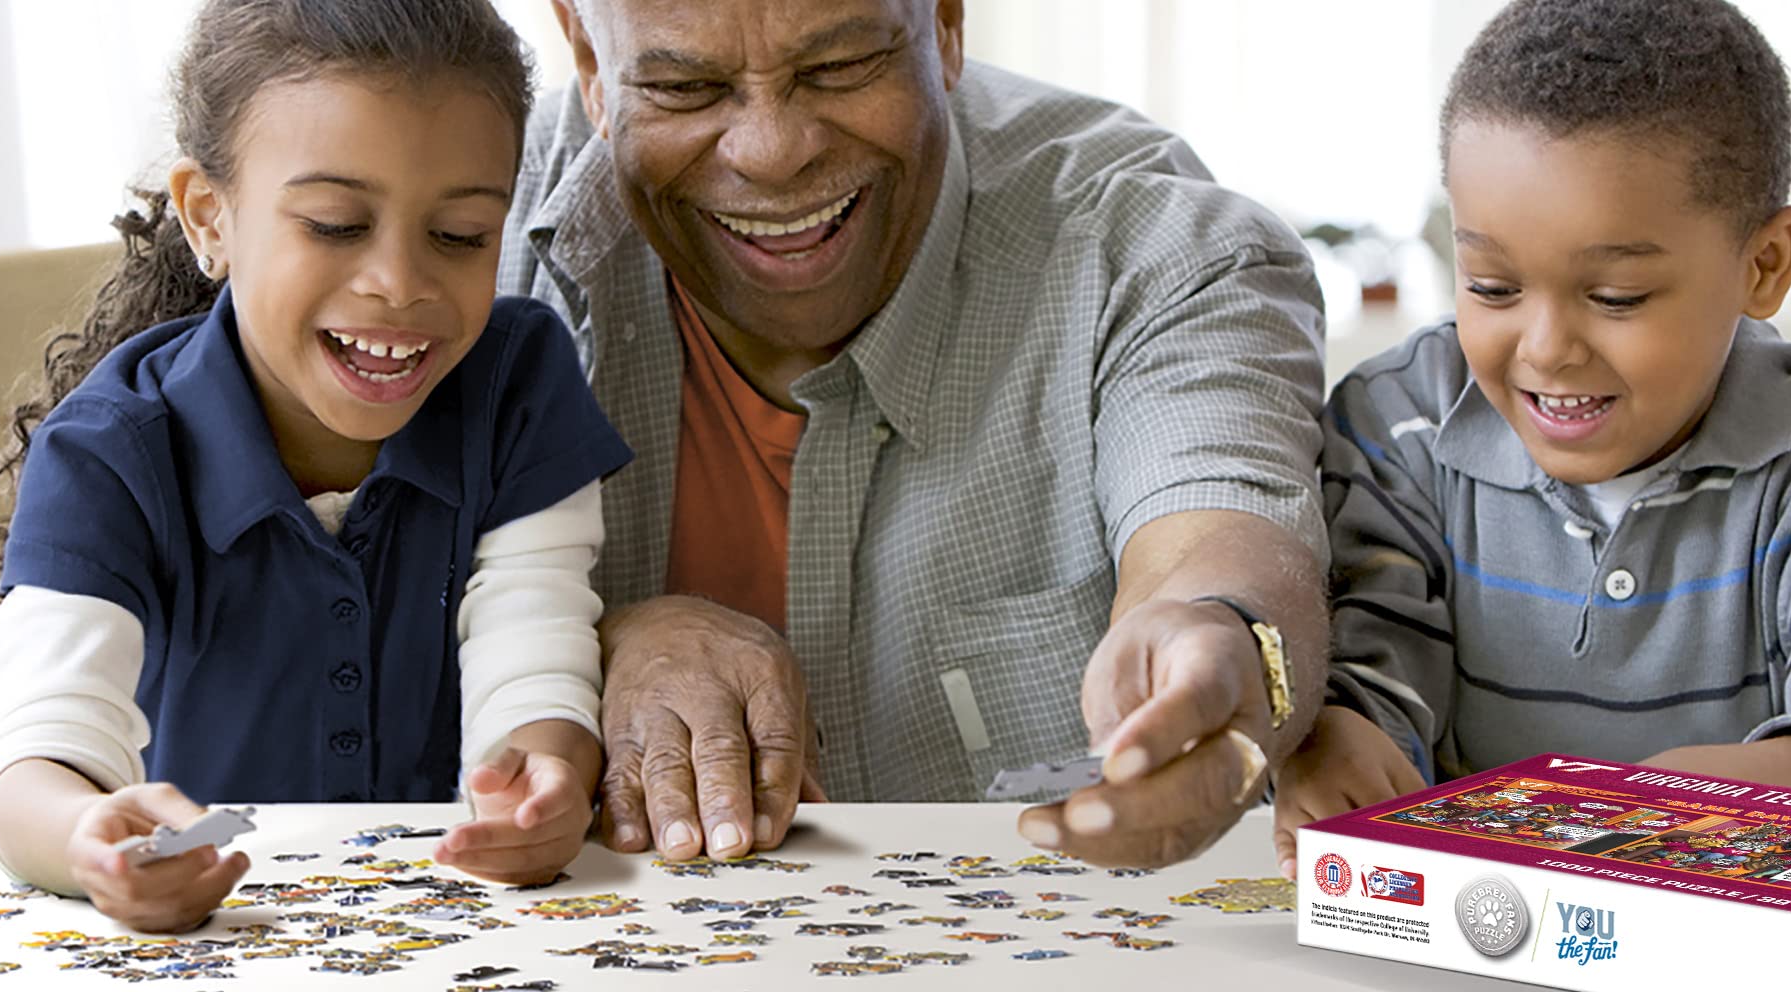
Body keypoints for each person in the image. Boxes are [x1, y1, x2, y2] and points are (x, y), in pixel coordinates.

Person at [504, 0, 1330, 869]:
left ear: (944, 23)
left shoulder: (1151, 244)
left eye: (839, 67)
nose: (773, 151)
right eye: (683, 86)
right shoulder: (444, 224)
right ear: (589, 61)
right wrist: (584, 644)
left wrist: (1224, 645)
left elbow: (1217, 540)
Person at [0, 0, 631, 932]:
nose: (399, 282)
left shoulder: (519, 384)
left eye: (462, 235)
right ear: (210, 217)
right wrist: (87, 836)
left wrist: (543, 777)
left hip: (461, 928)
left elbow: (534, 647)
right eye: (333, 223)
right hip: (213, 938)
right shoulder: (108, 451)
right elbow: (34, 750)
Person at [1274, 0, 1791, 874]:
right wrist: (1338, 733)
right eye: (1492, 286)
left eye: (1615, 298)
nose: (1545, 348)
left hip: (1735, 920)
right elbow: (1374, 644)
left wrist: (1787, 779)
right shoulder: (1396, 425)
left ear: (1764, 265)